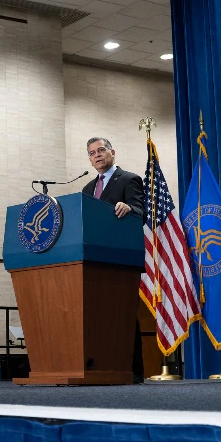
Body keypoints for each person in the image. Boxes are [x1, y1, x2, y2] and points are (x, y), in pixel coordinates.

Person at [82, 136, 145, 383]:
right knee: (98, 316)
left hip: (120, 261)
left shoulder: (129, 179)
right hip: (92, 261)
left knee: (123, 315)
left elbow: (142, 212)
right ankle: (102, 369)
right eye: (91, 153)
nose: (96, 155)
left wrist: (129, 209)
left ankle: (133, 371)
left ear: (112, 152)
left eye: (100, 150)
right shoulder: (87, 189)